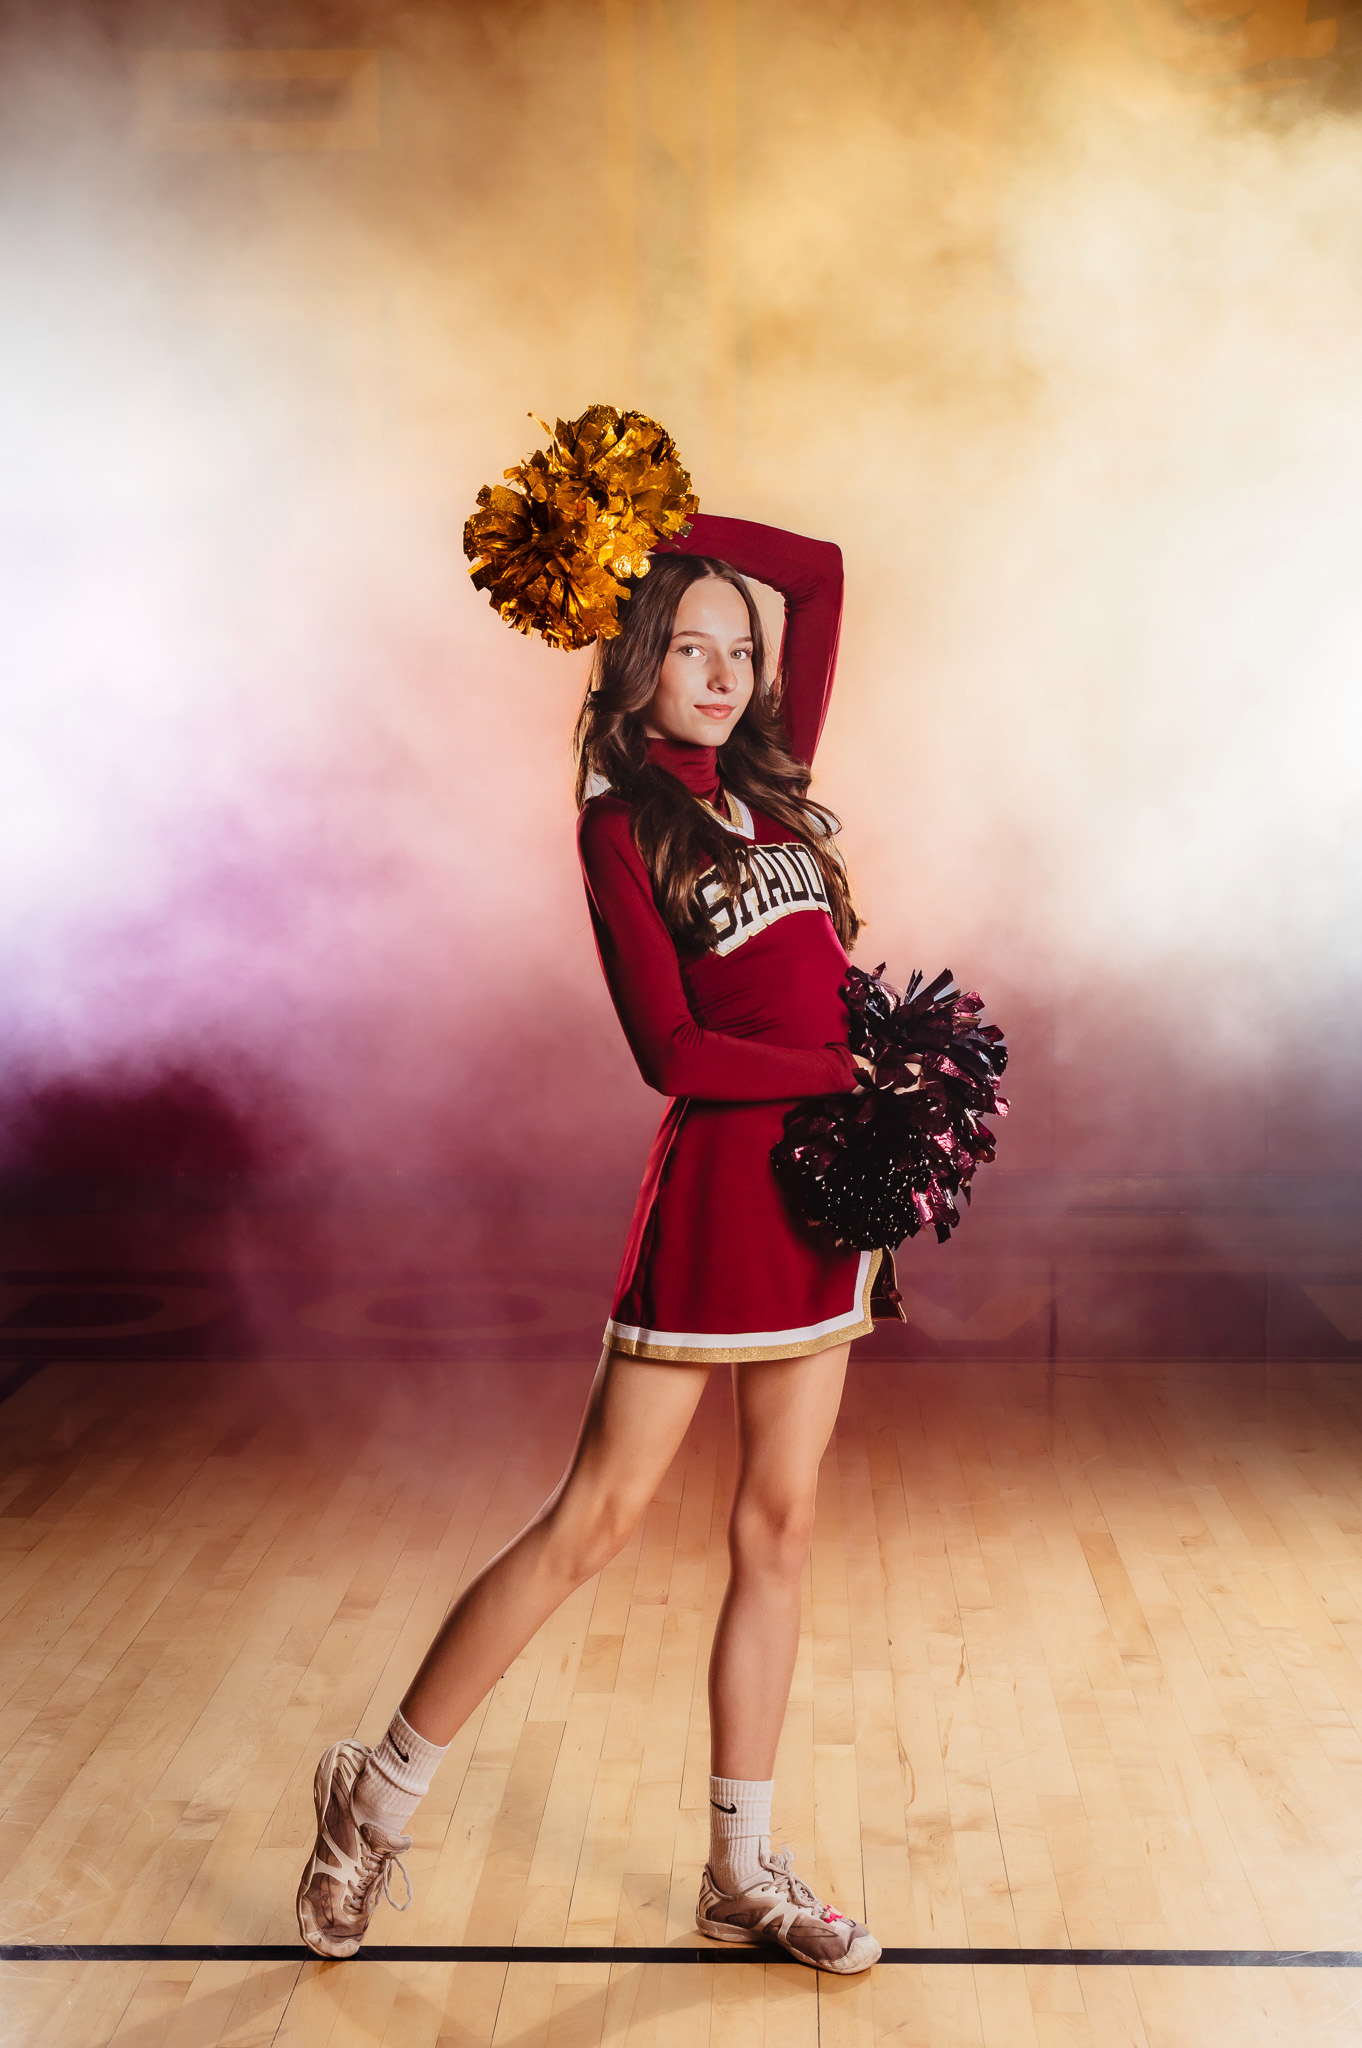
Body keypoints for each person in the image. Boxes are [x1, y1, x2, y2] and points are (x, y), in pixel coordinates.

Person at [296, 513, 896, 1971]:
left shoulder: (779, 786)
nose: (719, 668)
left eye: (736, 650)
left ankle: (740, 1870)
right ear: (635, 667)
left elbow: (812, 569)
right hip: (714, 1204)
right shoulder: (620, 824)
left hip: (829, 1200)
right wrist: (835, 1076)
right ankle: (368, 1808)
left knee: (780, 1525)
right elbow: (673, 1051)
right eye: (686, 643)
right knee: (596, 1518)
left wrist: (649, 513)